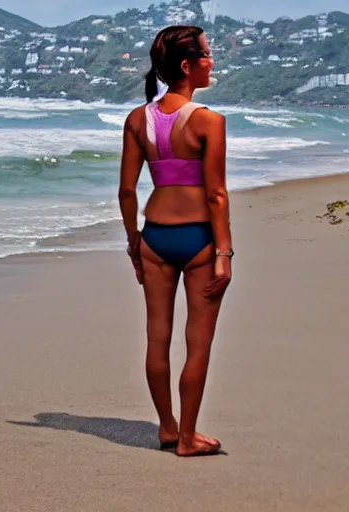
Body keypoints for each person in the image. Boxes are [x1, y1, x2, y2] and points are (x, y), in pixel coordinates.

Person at [118, 25, 233, 457]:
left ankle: (167, 427)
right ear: (186, 66)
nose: (212, 61)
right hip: (199, 239)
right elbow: (216, 194)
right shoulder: (208, 121)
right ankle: (188, 437)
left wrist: (134, 242)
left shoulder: (136, 120)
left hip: (155, 237)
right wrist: (223, 253)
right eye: (206, 54)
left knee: (157, 340)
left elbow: (127, 191)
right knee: (198, 342)